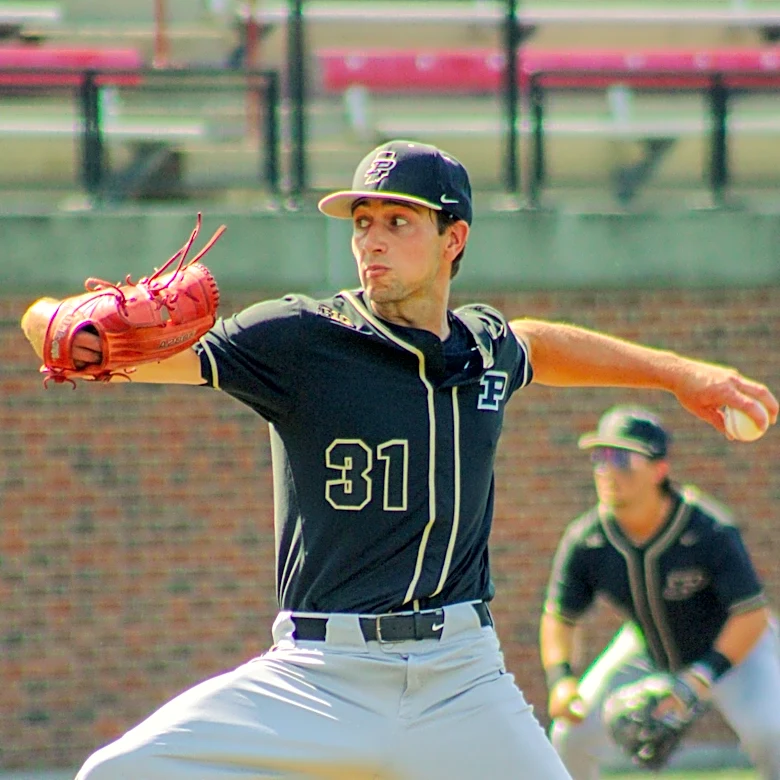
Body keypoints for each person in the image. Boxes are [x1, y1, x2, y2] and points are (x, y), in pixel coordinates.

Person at [20, 140, 778, 780]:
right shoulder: (297, 338)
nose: (371, 239)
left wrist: (682, 374)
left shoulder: (484, 346)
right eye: (362, 222)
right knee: (117, 773)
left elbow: (541, 343)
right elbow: (86, 345)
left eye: (397, 220)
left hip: (463, 678)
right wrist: (57, 324)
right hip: (320, 674)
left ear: (454, 238)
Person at [540, 405, 780, 779]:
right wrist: (562, 680)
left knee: (774, 734)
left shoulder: (708, 529)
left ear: (659, 469)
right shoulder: (588, 539)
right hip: (648, 646)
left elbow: (751, 613)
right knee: (571, 734)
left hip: (736, 652)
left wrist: (700, 678)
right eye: (600, 457)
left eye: (621, 457)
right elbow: (560, 616)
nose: (606, 470)